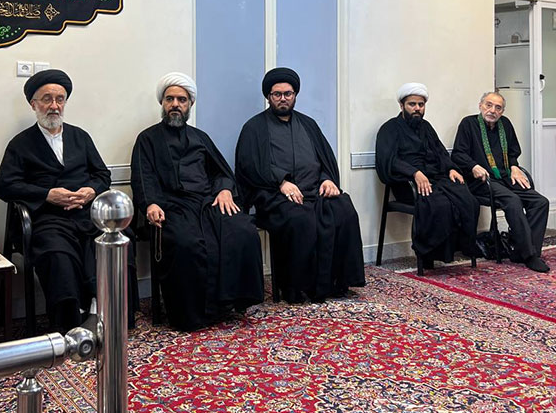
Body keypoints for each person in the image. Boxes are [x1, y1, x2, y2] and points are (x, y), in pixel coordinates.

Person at [0, 69, 139, 332]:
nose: (54, 105)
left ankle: (108, 312)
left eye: (59, 99)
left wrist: (90, 191)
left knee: (118, 237)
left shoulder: (80, 136)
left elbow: (102, 174)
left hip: (87, 214)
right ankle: (71, 323)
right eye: (47, 99)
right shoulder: (21, 143)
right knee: (57, 253)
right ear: (33, 104)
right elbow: (4, 186)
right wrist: (47, 194)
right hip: (48, 219)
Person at [130, 72, 264, 331]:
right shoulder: (147, 139)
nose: (175, 104)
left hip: (206, 202)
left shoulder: (200, 137)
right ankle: (192, 314)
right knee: (187, 244)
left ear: (190, 104)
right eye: (170, 99)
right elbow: (143, 177)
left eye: (181, 99)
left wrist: (224, 190)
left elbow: (222, 172)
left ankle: (231, 302)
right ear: (162, 103)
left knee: (242, 230)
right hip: (170, 207)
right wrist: (150, 204)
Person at [235, 67, 365, 301]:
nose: (283, 98)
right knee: (301, 219)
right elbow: (249, 165)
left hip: (314, 191)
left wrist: (326, 179)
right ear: (268, 97)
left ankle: (337, 282)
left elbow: (324, 159)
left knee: (344, 210)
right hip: (274, 196)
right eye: (277, 94)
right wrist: (281, 182)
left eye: (288, 93)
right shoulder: (254, 128)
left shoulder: (309, 124)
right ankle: (298, 288)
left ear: (295, 95)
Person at [375, 83, 479, 265]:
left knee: (467, 199)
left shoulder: (426, 127)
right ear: (402, 105)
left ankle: (456, 250)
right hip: (407, 184)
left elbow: (440, 151)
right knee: (440, 204)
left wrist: (451, 168)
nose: (417, 108)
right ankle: (428, 255)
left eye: (421, 105)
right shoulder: (389, 128)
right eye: (412, 104)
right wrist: (414, 173)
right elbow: (389, 160)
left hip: (435, 179)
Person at [452, 91, 550, 272]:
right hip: (481, 181)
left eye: (498, 108)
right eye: (488, 105)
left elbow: (513, 152)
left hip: (505, 177)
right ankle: (529, 256)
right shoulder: (469, 124)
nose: (492, 110)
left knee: (540, 202)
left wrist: (514, 166)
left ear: (502, 111)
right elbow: (458, 154)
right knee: (513, 200)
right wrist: (473, 166)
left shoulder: (505, 124)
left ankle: (522, 250)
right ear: (480, 105)